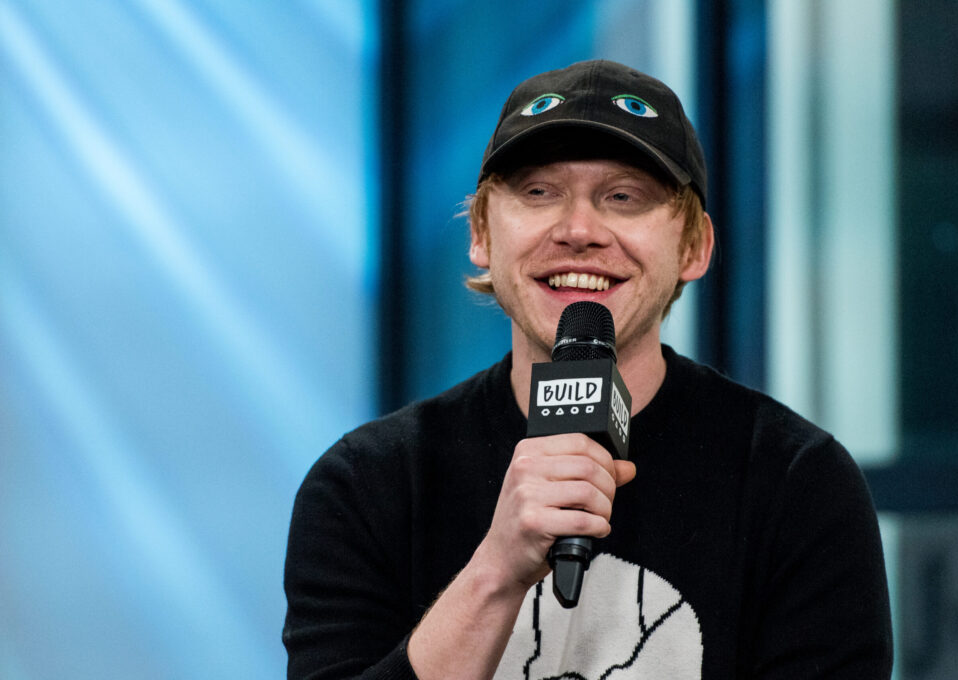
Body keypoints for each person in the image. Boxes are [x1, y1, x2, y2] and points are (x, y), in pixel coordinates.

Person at [282, 59, 893, 679]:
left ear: (694, 247)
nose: (578, 231)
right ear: (481, 236)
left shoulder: (797, 484)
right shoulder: (366, 484)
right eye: (538, 192)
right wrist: (495, 571)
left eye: (623, 197)